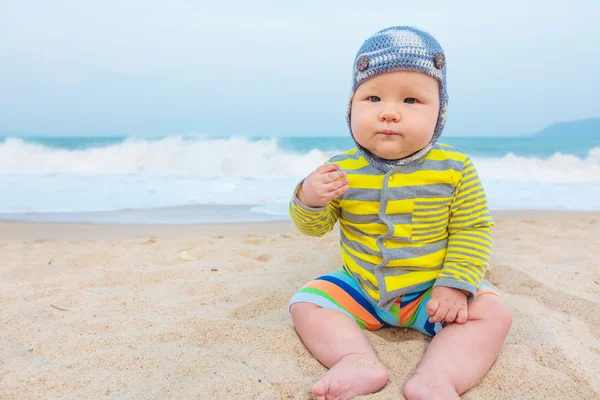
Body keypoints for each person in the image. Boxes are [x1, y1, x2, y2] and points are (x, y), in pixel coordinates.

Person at [288, 26, 512, 400]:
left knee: (493, 314)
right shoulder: (341, 167)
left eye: (411, 101)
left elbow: (472, 229)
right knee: (306, 303)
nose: (389, 113)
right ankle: (356, 360)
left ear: (439, 112)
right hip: (362, 288)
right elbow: (315, 228)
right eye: (373, 97)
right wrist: (310, 199)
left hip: (432, 292)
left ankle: (438, 377)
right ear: (351, 107)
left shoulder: (454, 168)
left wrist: (455, 284)